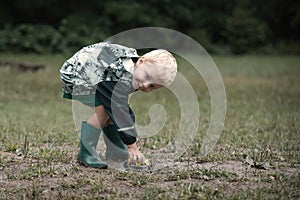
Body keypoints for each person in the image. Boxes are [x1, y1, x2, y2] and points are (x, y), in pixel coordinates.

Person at [59, 42, 177, 168]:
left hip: (96, 79)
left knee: (111, 109)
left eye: (152, 86)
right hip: (77, 75)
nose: (145, 85)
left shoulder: (135, 72)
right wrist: (131, 145)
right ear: (141, 61)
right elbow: (119, 110)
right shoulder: (119, 74)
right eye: (147, 76)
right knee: (104, 110)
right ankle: (86, 153)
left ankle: (116, 151)